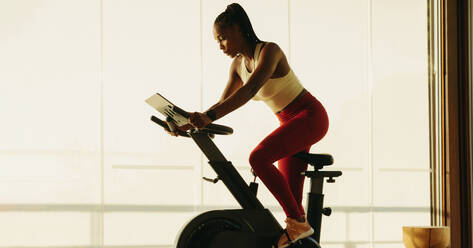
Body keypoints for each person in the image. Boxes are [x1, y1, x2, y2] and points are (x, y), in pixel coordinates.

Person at [167, 3, 329, 247]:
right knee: (293, 210)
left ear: (238, 29)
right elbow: (223, 103)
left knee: (259, 158)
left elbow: (251, 89)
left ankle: (299, 224)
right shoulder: (237, 66)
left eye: (222, 38)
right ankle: (299, 230)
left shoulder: (270, 52)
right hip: (289, 123)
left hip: (309, 117)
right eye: (217, 41)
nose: (220, 46)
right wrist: (189, 122)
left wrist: (208, 116)